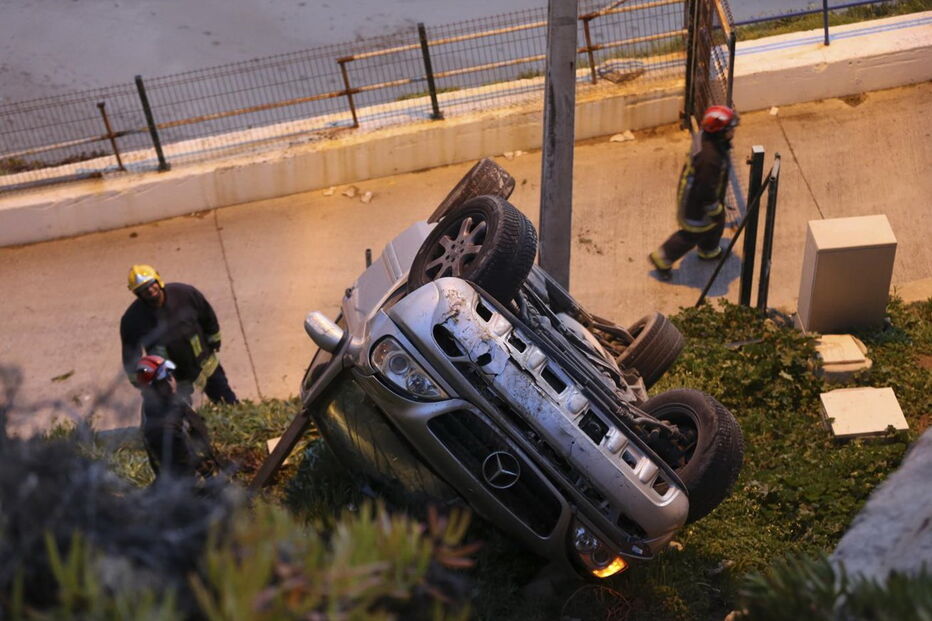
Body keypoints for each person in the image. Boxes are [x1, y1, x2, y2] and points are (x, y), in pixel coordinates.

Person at [120, 264, 238, 405]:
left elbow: (207, 316)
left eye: (151, 284)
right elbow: (130, 353)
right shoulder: (132, 319)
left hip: (204, 362)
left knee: (227, 401)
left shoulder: (185, 294)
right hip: (171, 376)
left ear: (158, 281)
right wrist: (141, 381)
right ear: (137, 294)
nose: (150, 290)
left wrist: (214, 339)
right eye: (143, 290)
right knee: (179, 416)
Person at [649, 105, 740, 278]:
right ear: (720, 132)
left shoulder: (708, 140)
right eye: (730, 128)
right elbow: (705, 189)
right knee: (692, 233)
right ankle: (662, 258)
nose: (733, 131)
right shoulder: (710, 158)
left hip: (702, 197)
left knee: (715, 224)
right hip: (697, 203)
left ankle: (709, 251)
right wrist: (714, 208)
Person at [135, 354, 219, 480]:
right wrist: (211, 479)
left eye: (170, 375)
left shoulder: (170, 401)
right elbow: (185, 463)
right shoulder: (163, 426)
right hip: (191, 487)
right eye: (164, 379)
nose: (171, 380)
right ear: (153, 389)